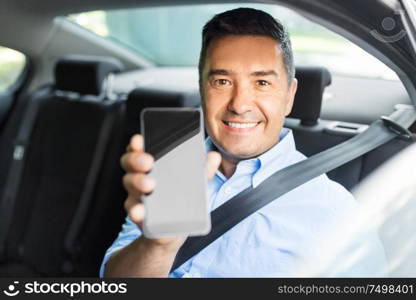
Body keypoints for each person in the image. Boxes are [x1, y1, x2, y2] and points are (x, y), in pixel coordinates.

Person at [100, 7, 387, 277]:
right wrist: (157, 246)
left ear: (289, 96)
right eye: (222, 82)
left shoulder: (336, 213)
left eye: (262, 83)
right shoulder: (171, 172)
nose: (239, 104)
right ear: (202, 90)